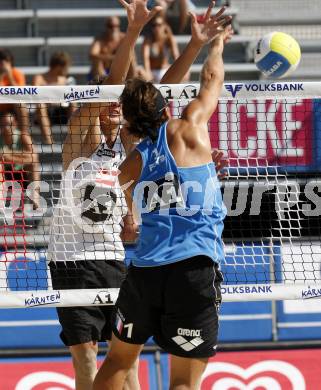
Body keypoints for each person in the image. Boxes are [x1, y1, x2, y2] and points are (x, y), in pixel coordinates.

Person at [93, 3, 232, 389]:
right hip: (193, 270)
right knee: (184, 381)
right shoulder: (190, 128)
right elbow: (211, 79)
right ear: (165, 104)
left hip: (145, 272)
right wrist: (216, 44)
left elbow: (109, 199)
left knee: (118, 361)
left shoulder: (132, 163)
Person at [33, 51, 75, 145]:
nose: (68, 69)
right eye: (66, 66)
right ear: (59, 66)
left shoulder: (66, 80)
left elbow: (70, 99)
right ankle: (49, 141)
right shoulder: (39, 78)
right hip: (46, 113)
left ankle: (75, 138)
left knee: (74, 103)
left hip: (62, 112)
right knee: (40, 105)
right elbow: (36, 96)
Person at [89, 16, 137, 80]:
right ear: (106, 27)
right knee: (97, 62)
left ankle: (132, 82)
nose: (114, 29)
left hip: (120, 71)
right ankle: (104, 84)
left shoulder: (124, 38)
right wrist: (114, 58)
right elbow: (92, 55)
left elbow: (131, 55)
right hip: (103, 71)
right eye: (111, 26)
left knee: (132, 60)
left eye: (116, 26)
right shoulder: (100, 39)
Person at [0, 49, 30, 146]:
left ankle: (24, 134)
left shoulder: (17, 74)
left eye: (6, 61)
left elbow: (21, 94)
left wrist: (9, 75)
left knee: (21, 103)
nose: (3, 64)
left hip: (13, 110)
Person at [142, 14, 179, 82]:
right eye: (154, 25)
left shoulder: (168, 39)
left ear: (164, 26)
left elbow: (176, 57)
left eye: (159, 25)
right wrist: (148, 72)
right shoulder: (148, 40)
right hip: (151, 72)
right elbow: (145, 59)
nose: (156, 28)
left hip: (164, 71)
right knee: (139, 72)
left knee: (183, 72)